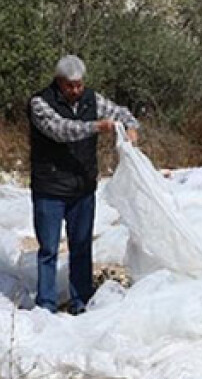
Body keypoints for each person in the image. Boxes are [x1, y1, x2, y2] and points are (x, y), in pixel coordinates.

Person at [28, 54, 140, 314]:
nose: (76, 90)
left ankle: (81, 301)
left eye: (79, 85)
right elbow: (61, 130)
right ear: (59, 82)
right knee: (48, 249)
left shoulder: (91, 99)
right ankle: (46, 304)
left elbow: (120, 113)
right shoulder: (40, 103)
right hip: (50, 188)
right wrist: (97, 127)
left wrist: (131, 126)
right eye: (70, 86)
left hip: (82, 188)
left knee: (81, 246)